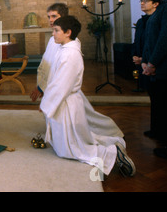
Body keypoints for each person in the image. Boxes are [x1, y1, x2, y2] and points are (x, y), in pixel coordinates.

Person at [40, 16, 136, 177]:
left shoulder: (70, 54)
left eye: (56, 31)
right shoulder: (66, 49)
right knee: (72, 141)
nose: (53, 34)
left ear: (68, 32)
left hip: (65, 103)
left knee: (71, 149)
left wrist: (46, 104)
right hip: (65, 101)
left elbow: (61, 85)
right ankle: (112, 145)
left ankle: (111, 153)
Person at [142, 0, 167, 160]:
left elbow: (166, 38)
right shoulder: (163, 5)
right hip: (159, 66)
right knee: (163, 106)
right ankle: (164, 138)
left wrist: (152, 62)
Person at [131, 0, 160, 136]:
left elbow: (154, 43)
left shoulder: (157, 19)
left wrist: (144, 59)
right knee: (152, 96)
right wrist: (135, 55)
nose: (142, 3)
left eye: (146, 1)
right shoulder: (142, 21)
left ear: (155, 4)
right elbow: (138, 41)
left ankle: (159, 130)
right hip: (141, 61)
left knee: (158, 98)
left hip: (151, 63)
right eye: (141, 1)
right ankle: (155, 128)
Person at [30, 3, 69, 102]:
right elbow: (45, 63)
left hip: (60, 90)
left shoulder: (68, 41)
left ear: (64, 17)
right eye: (49, 17)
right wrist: (40, 85)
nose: (50, 20)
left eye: (54, 16)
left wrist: (41, 87)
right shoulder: (52, 39)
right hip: (47, 86)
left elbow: (58, 69)